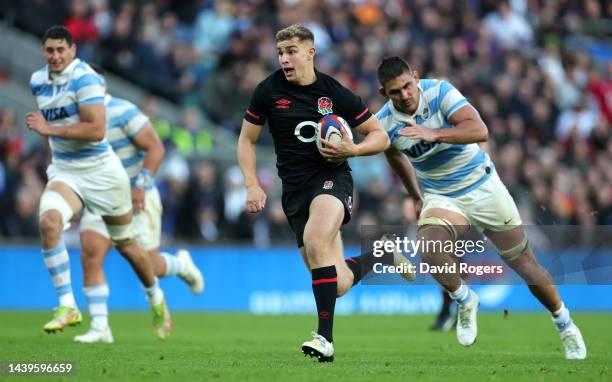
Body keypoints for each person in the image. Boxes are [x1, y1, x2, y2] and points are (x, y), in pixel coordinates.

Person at [376, 56, 587, 359]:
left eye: (408, 86)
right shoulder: (384, 122)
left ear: (416, 77)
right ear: (385, 94)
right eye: (395, 91)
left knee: (524, 264)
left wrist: (434, 133)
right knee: (430, 249)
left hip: (482, 186)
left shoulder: (440, 92)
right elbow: (393, 154)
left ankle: (565, 324)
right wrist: (414, 194)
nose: (405, 95)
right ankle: (464, 298)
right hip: (441, 194)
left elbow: (479, 129)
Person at [237, 24, 408, 362]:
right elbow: (247, 140)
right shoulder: (268, 91)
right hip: (295, 192)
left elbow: (380, 136)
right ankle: (382, 254)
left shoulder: (334, 93)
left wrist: (352, 149)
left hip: (332, 180)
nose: (285, 58)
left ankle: (324, 339)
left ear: (310, 53)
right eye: (281, 52)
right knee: (339, 282)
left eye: (292, 51)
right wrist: (252, 183)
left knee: (316, 240)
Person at [26, 25, 171, 340]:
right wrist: (50, 150)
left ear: (72, 50)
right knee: (50, 223)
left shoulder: (86, 79)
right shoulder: (37, 81)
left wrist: (49, 131)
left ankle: (155, 297)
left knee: (127, 247)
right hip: (67, 171)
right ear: (43, 52)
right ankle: (69, 305)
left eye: (60, 50)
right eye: (49, 50)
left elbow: (94, 130)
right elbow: (54, 126)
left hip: (103, 172)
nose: (55, 56)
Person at [73, 68, 204, 344]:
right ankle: (100, 327)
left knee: (150, 265)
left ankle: (179, 265)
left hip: (137, 197)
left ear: (102, 86)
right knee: (90, 252)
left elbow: (156, 147)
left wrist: (140, 184)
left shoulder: (123, 111)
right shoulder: (78, 120)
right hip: (101, 199)